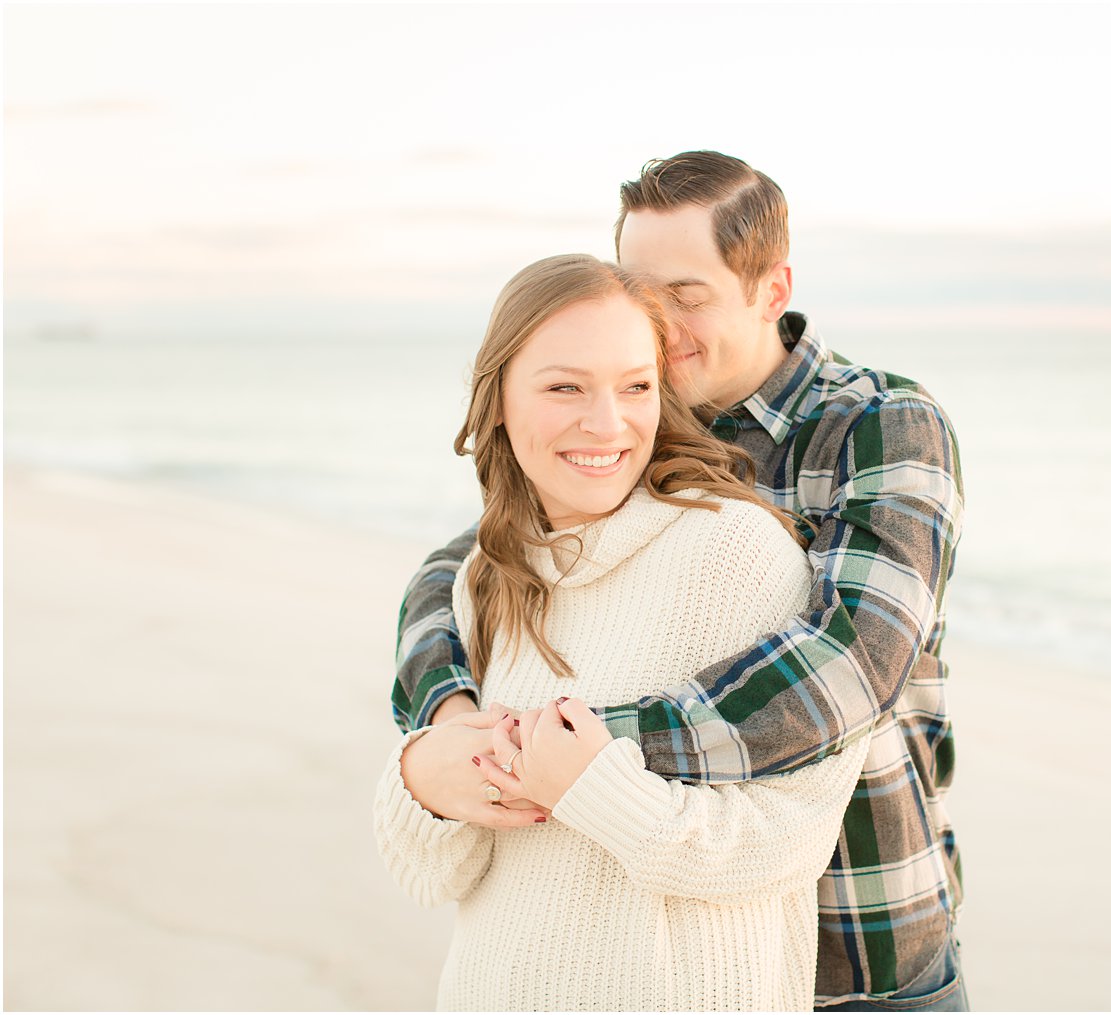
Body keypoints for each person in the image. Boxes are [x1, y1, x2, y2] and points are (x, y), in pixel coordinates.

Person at [392, 152, 968, 1011]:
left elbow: (846, 668)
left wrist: (563, 748)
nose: (657, 321)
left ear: (771, 290)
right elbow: (469, 563)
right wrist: (448, 719)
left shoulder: (878, 424)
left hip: (861, 935)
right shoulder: (643, 413)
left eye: (686, 294)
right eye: (640, 289)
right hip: (673, 945)